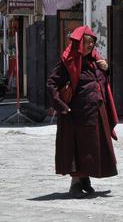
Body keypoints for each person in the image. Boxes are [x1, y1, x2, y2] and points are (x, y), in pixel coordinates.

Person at [47, 26, 118, 198]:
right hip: (77, 115)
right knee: (79, 148)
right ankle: (75, 184)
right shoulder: (69, 62)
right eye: (87, 43)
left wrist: (107, 69)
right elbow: (52, 83)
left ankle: (85, 180)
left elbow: (102, 82)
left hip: (96, 113)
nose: (90, 46)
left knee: (93, 148)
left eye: (92, 43)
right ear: (79, 43)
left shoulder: (95, 61)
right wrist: (62, 106)